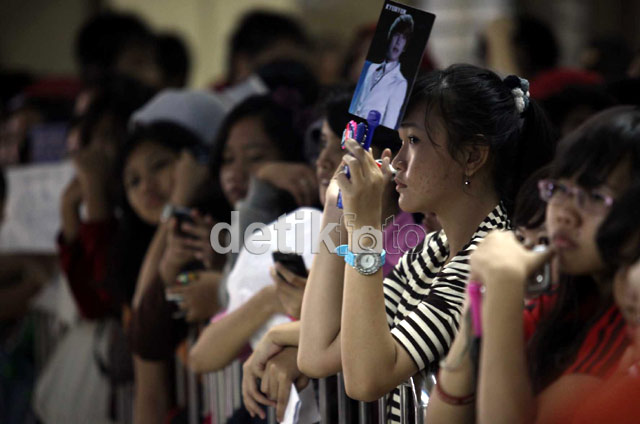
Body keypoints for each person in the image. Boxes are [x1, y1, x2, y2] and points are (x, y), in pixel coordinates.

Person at [241, 64, 552, 423]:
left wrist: (364, 226)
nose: (398, 161)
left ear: (472, 156)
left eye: (414, 141)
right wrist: (335, 208)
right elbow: (318, 352)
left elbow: (367, 379)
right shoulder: (431, 251)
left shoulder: (489, 258)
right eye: (401, 141)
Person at [427, 106, 640, 424]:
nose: (564, 213)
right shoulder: (562, 298)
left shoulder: (627, 317)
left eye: (595, 197)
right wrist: (477, 303)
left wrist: (503, 286)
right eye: (560, 189)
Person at [350, 14, 414, 129]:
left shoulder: (400, 82)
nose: (398, 42)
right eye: (396, 35)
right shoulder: (371, 68)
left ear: (405, 46)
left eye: (403, 38)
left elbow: (389, 122)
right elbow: (358, 105)